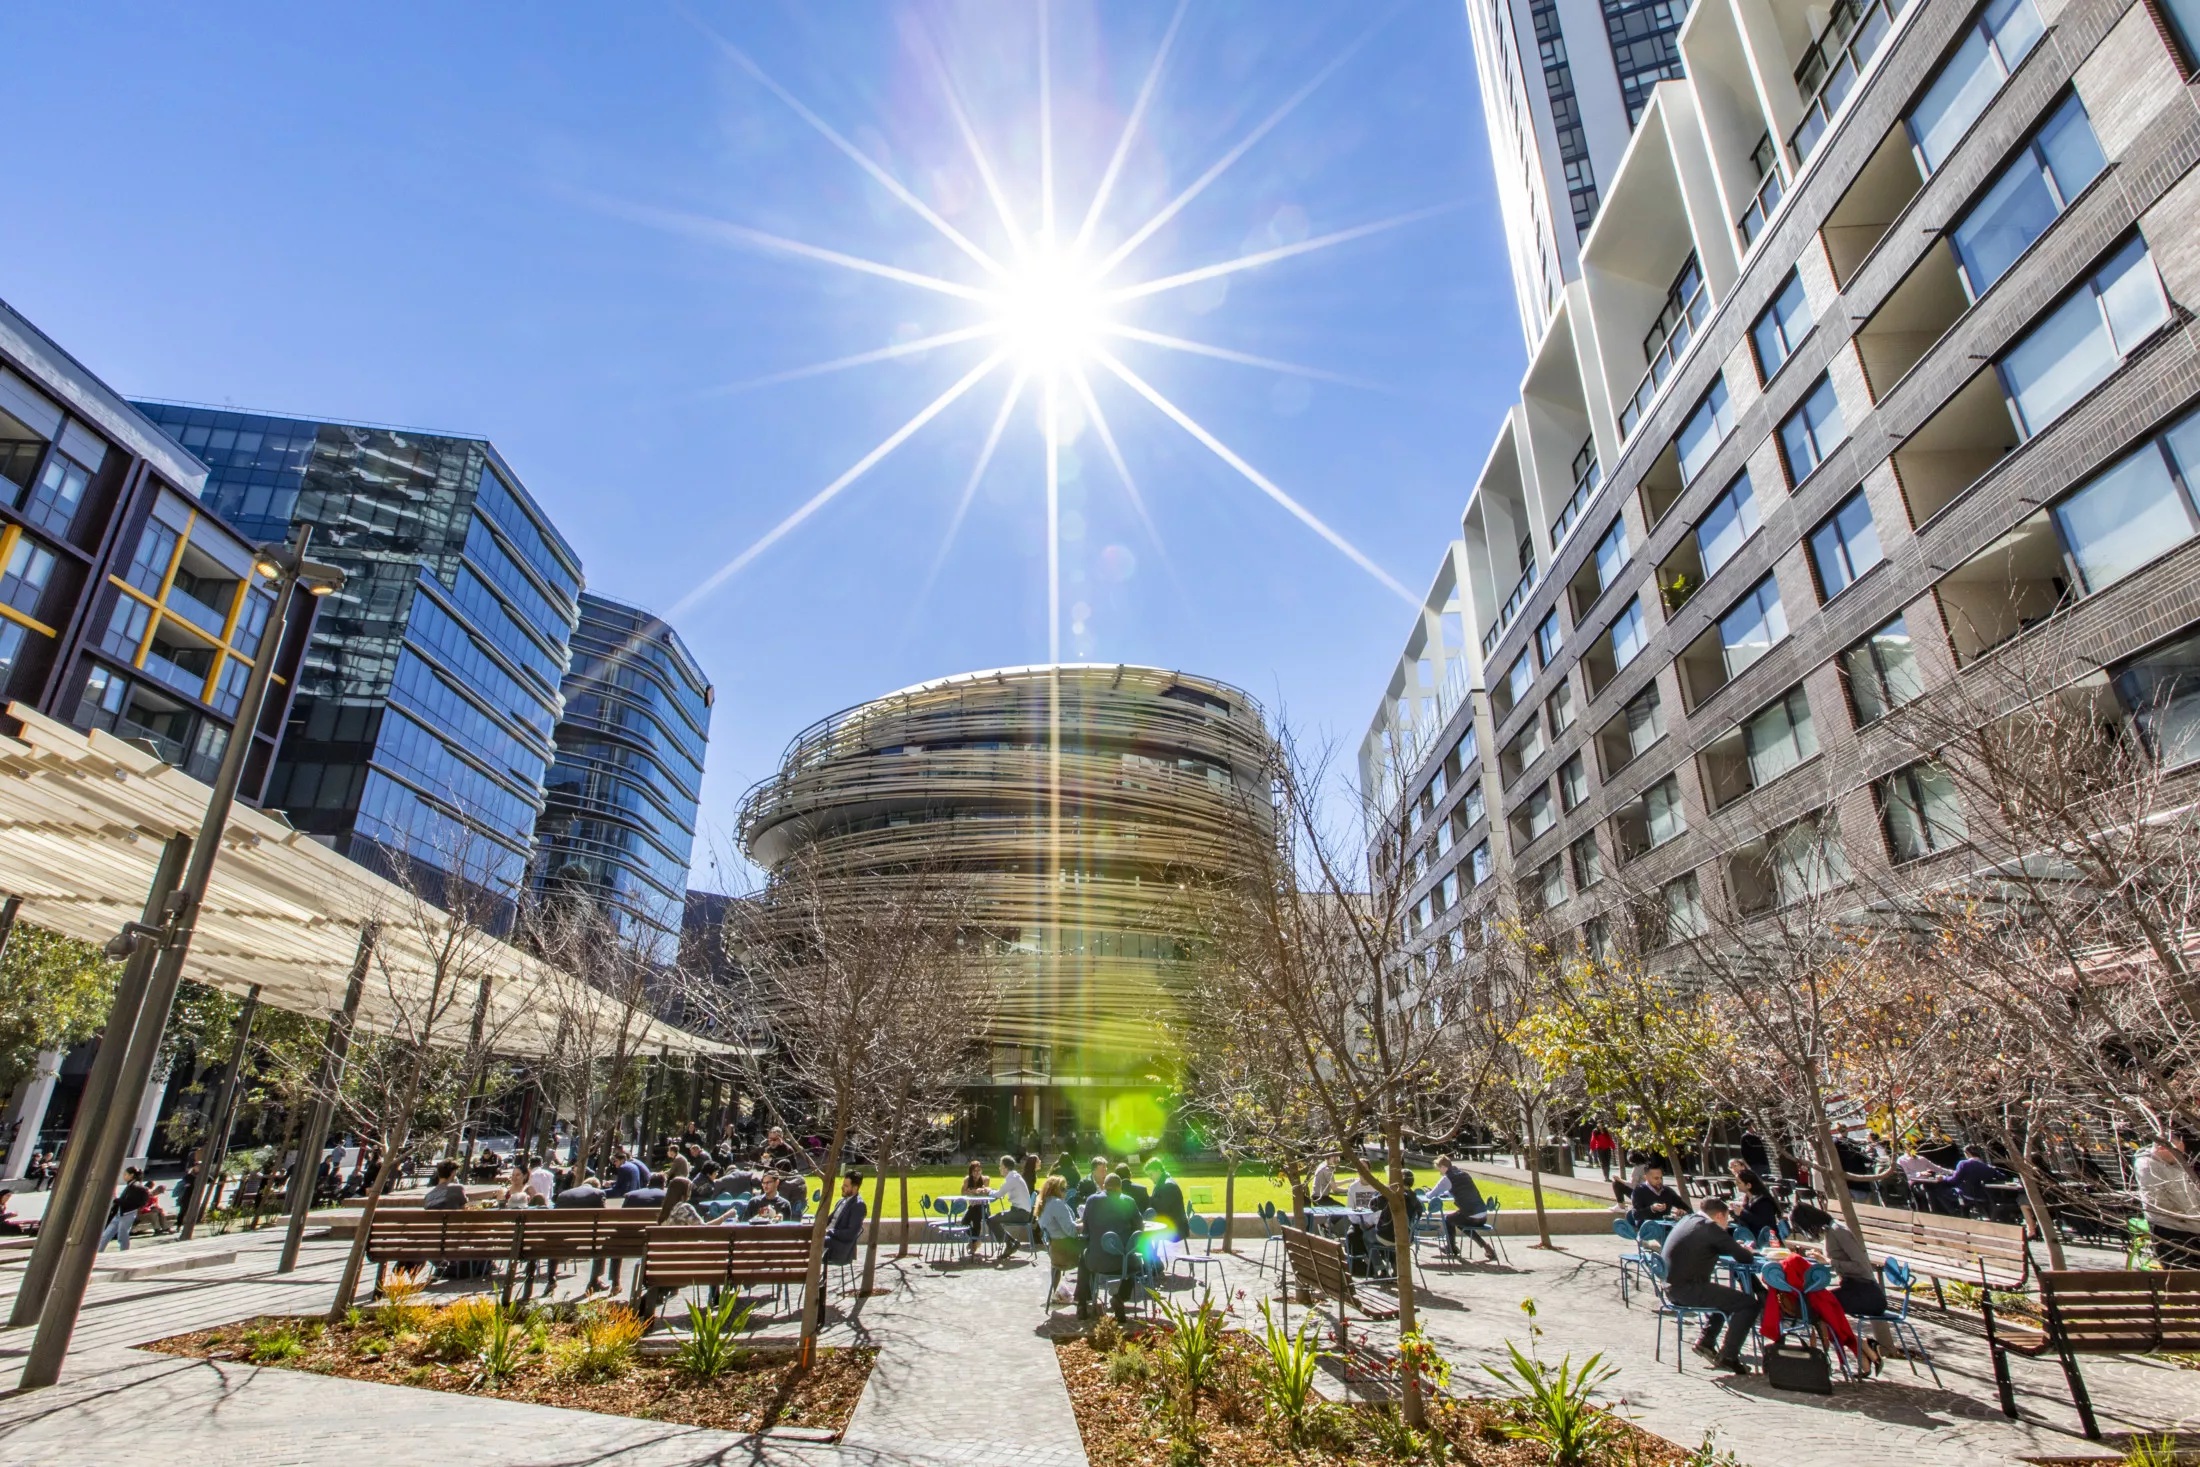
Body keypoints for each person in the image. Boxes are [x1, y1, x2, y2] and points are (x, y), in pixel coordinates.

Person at [1659, 1197, 1756, 1373]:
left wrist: (1734, 1246)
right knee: (1748, 1304)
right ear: (1719, 1215)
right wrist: (1745, 1249)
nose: (1727, 1224)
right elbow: (1745, 1257)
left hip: (1671, 1286)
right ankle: (1729, 1356)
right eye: (1727, 1219)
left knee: (1726, 1297)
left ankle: (1706, 1341)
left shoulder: (1688, 1220)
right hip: (1687, 1290)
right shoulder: (1710, 1227)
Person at [1788, 1202, 1890, 1358]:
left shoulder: (1839, 1231)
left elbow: (1861, 1266)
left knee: (1818, 1306)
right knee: (1814, 1303)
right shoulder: (1830, 1231)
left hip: (1866, 1293)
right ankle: (1858, 1346)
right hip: (1852, 1288)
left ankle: (1848, 1348)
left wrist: (1829, 1262)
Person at [1075, 1173, 1144, 1321]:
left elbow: (1086, 1229)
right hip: (1122, 1263)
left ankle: (1081, 1304)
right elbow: (1140, 1228)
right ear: (1120, 1188)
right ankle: (1120, 1297)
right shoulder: (1129, 1202)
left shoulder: (1092, 1200)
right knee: (1137, 1261)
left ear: (1104, 1186)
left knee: (1083, 1260)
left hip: (1095, 1261)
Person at [2135, 1136, 2200, 1267]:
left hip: (2190, 1221)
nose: (2179, 1156)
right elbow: (2158, 1201)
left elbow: (2192, 1190)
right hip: (2169, 1224)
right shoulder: (2147, 1165)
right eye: (2176, 1152)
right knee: (2182, 1271)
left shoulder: (2174, 1163)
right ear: (2162, 1148)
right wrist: (2184, 1216)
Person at [1428, 1155, 1498, 1261]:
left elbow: (1431, 1195)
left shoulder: (1446, 1178)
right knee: (1459, 1222)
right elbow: (1464, 1190)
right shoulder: (1464, 1174)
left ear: (1443, 1167)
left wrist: (1427, 1192)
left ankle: (1451, 1247)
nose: (1439, 1172)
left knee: (1448, 1219)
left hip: (1471, 1216)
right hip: (1483, 1215)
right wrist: (1448, 1193)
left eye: (1439, 1169)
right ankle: (1486, 1246)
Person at [992, 1153, 1036, 1258]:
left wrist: (988, 1191)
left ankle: (1009, 1244)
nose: (999, 1168)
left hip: (1021, 1213)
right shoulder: (1014, 1177)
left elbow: (999, 1194)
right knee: (993, 1219)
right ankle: (1012, 1243)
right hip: (1022, 1212)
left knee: (991, 1220)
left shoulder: (1012, 1179)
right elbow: (1001, 1191)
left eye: (1000, 1166)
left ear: (1005, 1168)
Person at [99, 1168, 152, 1252]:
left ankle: (124, 1251)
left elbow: (130, 1202)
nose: (124, 1176)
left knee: (121, 1235)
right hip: (122, 1212)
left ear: (132, 1175)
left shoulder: (135, 1186)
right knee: (107, 1235)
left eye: (125, 1174)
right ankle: (99, 1251)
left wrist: (116, 1199)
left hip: (127, 1213)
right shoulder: (132, 1185)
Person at [824, 1173, 867, 1266]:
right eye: (843, 1184)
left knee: (813, 1242)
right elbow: (828, 1220)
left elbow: (850, 1234)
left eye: (846, 1186)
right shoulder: (841, 1201)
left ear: (855, 1188)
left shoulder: (858, 1205)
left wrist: (828, 1231)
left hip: (838, 1247)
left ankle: (804, 1274)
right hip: (826, 1239)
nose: (842, 1187)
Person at [1727, 1160, 1779, 1237]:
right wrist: (1734, 1212)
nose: (1736, 1185)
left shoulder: (1763, 1201)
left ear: (1748, 1185)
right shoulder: (1748, 1198)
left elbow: (1764, 1223)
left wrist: (1742, 1212)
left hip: (1764, 1237)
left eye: (1739, 1183)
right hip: (1750, 1233)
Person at [1946, 1145, 2002, 1214]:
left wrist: (1944, 1178)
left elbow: (1954, 1180)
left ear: (1967, 1153)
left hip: (1967, 1194)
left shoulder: (1963, 1164)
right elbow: (2002, 1177)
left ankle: (1953, 1212)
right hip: (1984, 1196)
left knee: (1940, 1190)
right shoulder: (1987, 1167)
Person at [1143, 1159, 1187, 1241]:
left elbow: (1161, 1208)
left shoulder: (1168, 1185)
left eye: (1151, 1174)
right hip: (1170, 1222)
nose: (1150, 1178)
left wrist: (1146, 1201)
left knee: (1142, 1233)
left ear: (1158, 1170)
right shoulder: (1163, 1182)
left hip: (1174, 1228)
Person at [959, 1159, 993, 1253]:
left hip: (983, 1206)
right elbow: (963, 1192)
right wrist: (975, 1191)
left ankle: (974, 1244)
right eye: (975, 1171)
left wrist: (971, 1191)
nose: (977, 1173)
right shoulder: (967, 1179)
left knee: (976, 1219)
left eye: (979, 1170)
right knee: (964, 1222)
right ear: (971, 1172)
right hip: (972, 1206)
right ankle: (975, 1240)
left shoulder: (985, 1179)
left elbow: (984, 1192)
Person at [1036, 1174, 1079, 1243]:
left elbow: (1062, 1223)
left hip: (1054, 1245)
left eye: (1066, 1188)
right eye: (1063, 1189)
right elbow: (1071, 1231)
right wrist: (1085, 1225)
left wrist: (1082, 1221)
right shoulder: (1057, 1203)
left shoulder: (1045, 1202)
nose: (1066, 1191)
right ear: (1054, 1190)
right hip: (1064, 1246)